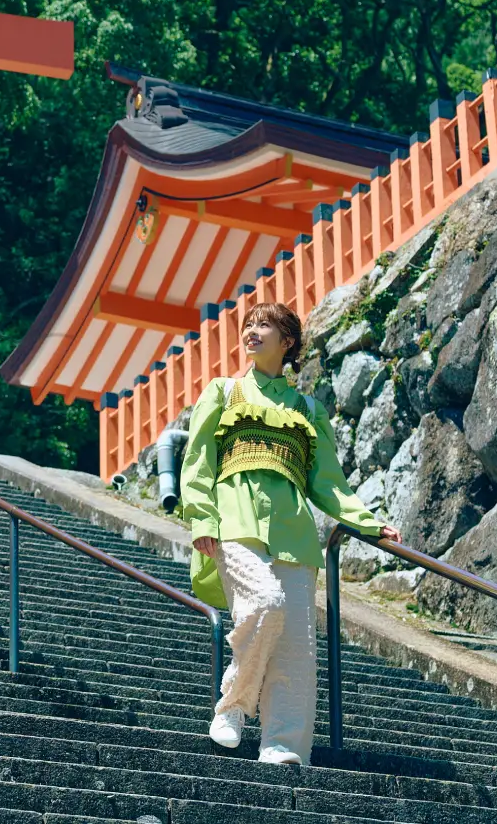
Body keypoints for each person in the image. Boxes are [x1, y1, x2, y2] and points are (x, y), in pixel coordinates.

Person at [180, 301, 401, 766]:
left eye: (264, 325)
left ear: (288, 343)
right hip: (235, 524)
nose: (252, 332)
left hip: (295, 536)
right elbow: (197, 463)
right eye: (248, 325)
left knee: (297, 650)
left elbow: (328, 484)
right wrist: (202, 519)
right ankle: (235, 704)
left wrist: (368, 522)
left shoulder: (308, 410)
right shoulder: (223, 392)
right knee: (264, 604)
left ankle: (283, 747)